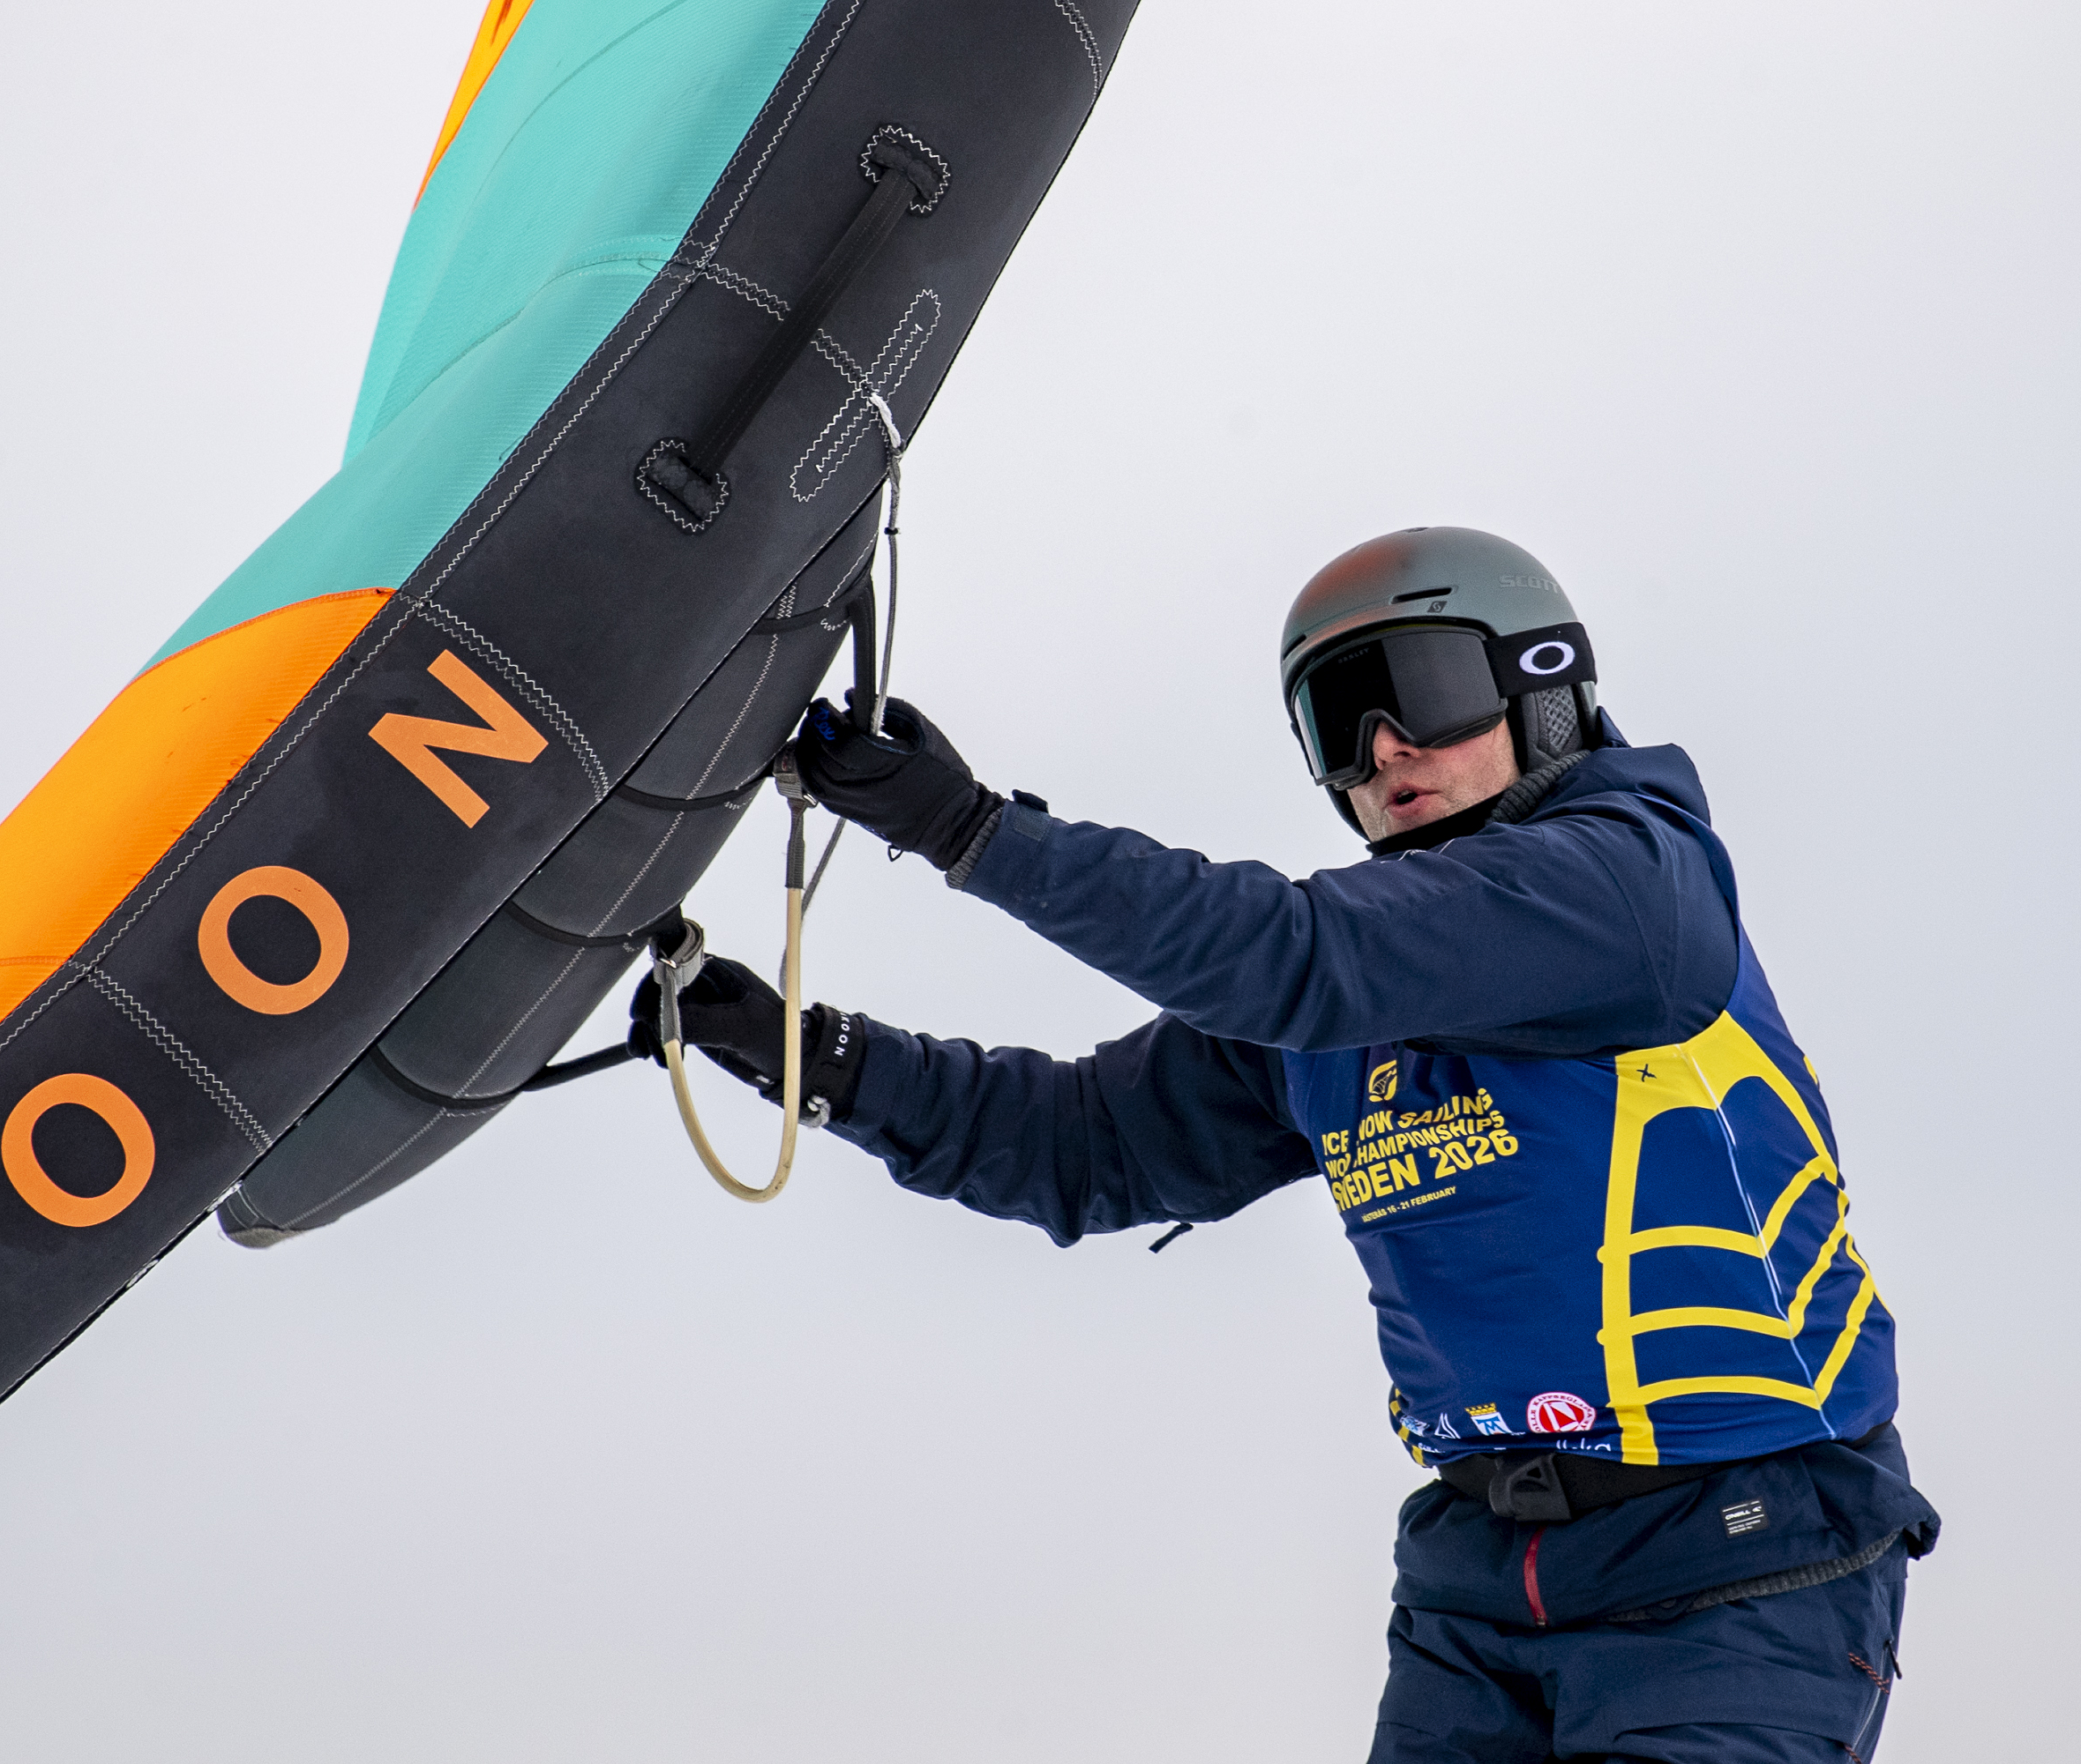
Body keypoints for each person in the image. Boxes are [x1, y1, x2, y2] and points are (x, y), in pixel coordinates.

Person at [629, 527, 1937, 1763]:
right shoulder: (1341, 1016)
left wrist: (973, 831)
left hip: (1736, 1565)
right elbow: (1082, 1145)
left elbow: (1294, 954)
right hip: (1482, 1584)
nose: (1384, 753)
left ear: (1543, 690)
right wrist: (806, 1055)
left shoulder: (1626, 889)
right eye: (1339, 724)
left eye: (1422, 696)